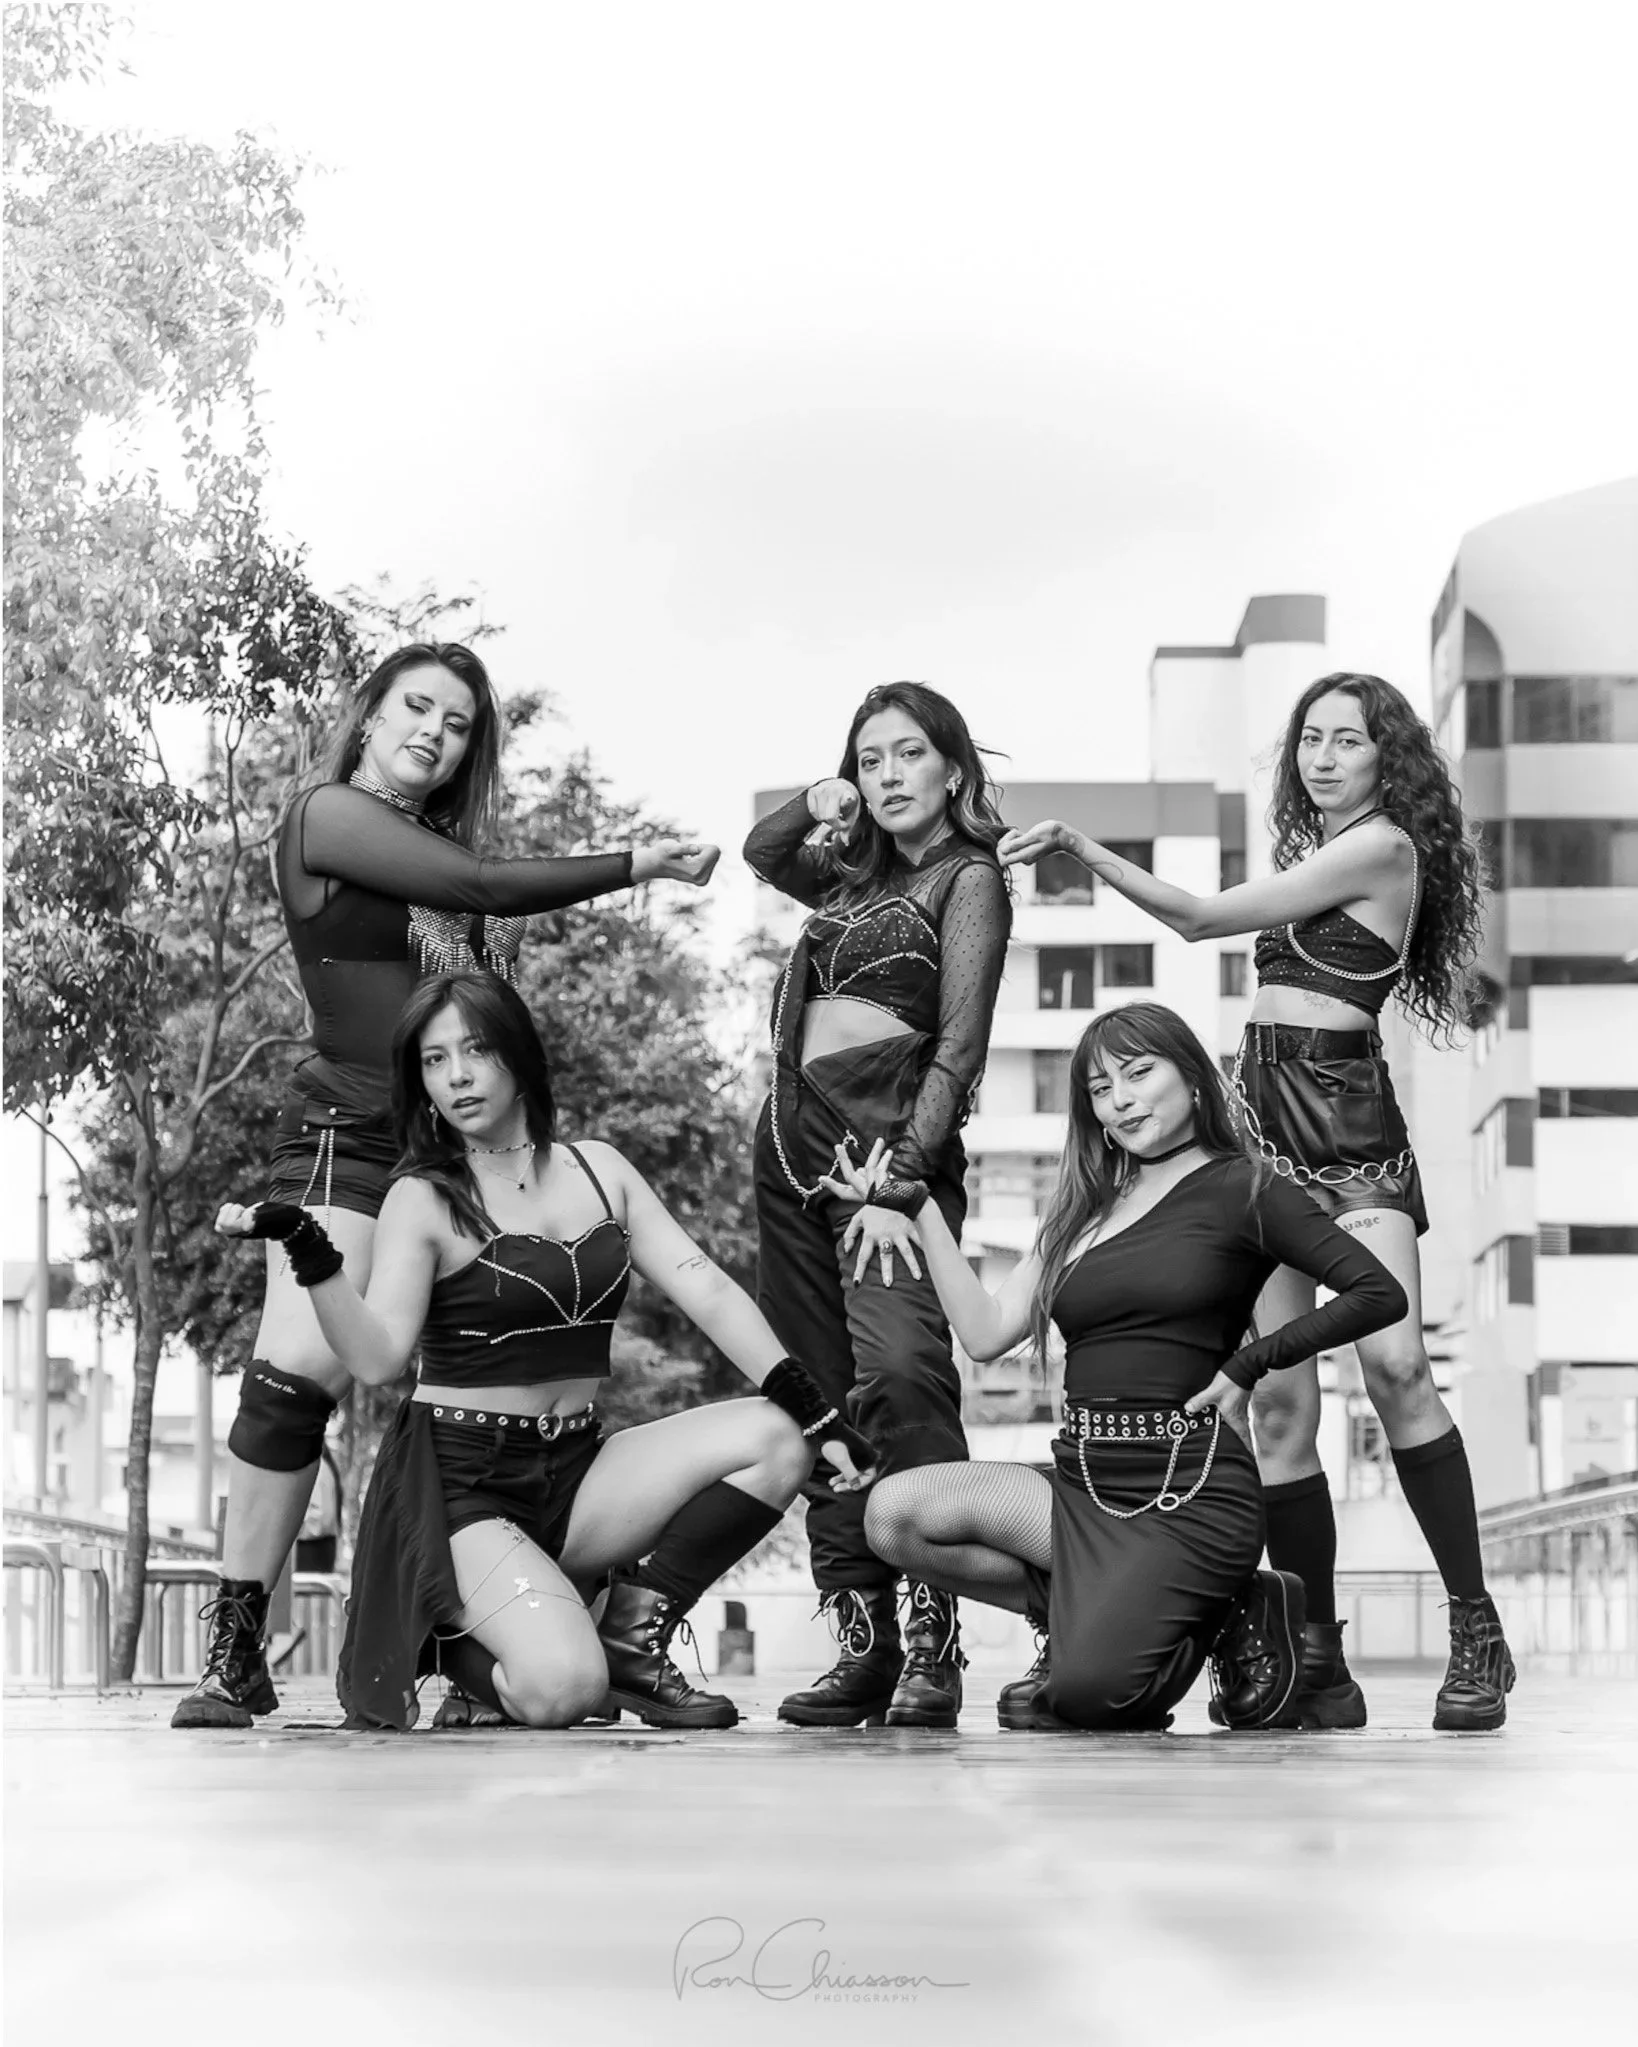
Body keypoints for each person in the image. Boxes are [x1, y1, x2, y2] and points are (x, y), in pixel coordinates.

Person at [174, 641, 719, 1730]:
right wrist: (638, 862)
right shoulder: (328, 816)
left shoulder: (430, 848)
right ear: (370, 714)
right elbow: (480, 888)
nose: (433, 729)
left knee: (481, 1373)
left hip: (446, 1151)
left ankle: (475, 1632)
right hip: (344, 1135)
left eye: (459, 720)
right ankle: (237, 1644)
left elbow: (472, 979)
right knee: (297, 1376)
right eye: (416, 706)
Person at [1000, 673, 1515, 1731]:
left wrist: (1084, 850)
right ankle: (1313, 1652)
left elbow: (1195, 920)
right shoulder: (1309, 860)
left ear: (1387, 760)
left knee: (1401, 1364)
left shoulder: (1381, 850)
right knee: (1281, 1403)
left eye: (1348, 741)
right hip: (1263, 1122)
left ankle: (1474, 1626)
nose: (1323, 758)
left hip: (1351, 1122)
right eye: (1310, 741)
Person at [216, 971, 878, 1732]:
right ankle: (451, 1642)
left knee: (779, 1437)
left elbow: (712, 1293)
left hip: (577, 1471)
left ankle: (630, 1630)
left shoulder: (602, 1169)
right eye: (433, 1061)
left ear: (519, 1054)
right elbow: (376, 1358)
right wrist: (313, 1254)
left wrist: (820, 1410)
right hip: (463, 1486)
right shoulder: (424, 1196)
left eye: (475, 1048)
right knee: (563, 1689)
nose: (457, 1075)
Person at [835, 1003, 1408, 1732]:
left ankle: (1231, 1602)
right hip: (1083, 1487)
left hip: (1186, 1492)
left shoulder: (1248, 1189)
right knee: (893, 1516)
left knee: (1089, 1699)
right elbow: (984, 1333)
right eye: (1102, 1089)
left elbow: (1376, 1292)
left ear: (1194, 1078)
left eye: (1139, 1073)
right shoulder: (1080, 1208)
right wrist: (915, 1208)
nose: (1122, 1098)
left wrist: (1248, 1364)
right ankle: (1177, 1610)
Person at [743, 682, 1013, 1730]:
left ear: (953, 768)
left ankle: (935, 1640)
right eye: (870, 759)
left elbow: (961, 1043)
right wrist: (821, 795)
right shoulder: (846, 882)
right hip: (786, 1160)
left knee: (899, 1376)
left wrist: (905, 1182)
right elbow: (769, 851)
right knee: (818, 1401)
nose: (889, 775)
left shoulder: (968, 880)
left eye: (909, 754)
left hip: (885, 1170)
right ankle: (864, 1639)